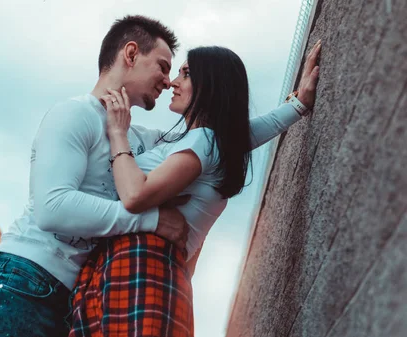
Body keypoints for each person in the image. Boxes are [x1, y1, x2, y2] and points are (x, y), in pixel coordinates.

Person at [68, 42, 322, 337]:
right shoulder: (208, 142)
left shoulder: (203, 140)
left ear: (212, 84)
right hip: (138, 267)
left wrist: (117, 133)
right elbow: (252, 131)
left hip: (141, 264)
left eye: (186, 74)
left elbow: (135, 195)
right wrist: (298, 104)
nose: (173, 82)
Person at [0, 15, 189, 337]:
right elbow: (53, 207)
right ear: (132, 54)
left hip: (69, 300)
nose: (167, 81)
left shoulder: (137, 139)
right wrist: (151, 220)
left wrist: (287, 113)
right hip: (21, 280)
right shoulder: (75, 113)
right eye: (163, 67)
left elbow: (208, 140)